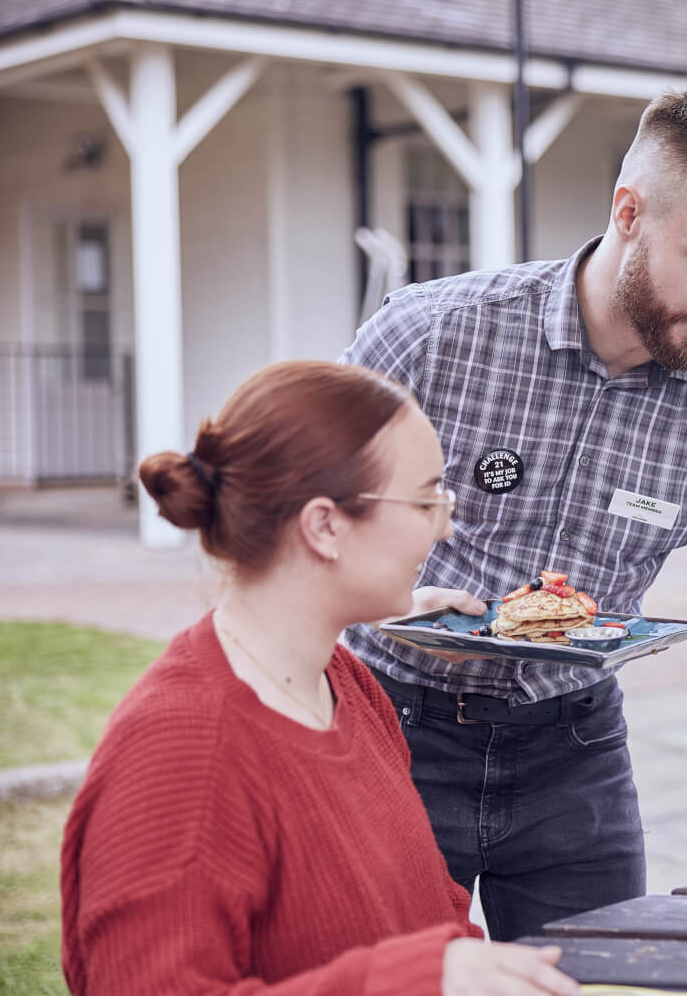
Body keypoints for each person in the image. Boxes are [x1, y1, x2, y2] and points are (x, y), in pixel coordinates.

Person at [340, 89, 687, 938]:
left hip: (574, 752)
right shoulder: (431, 334)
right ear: (628, 213)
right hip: (391, 725)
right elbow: (300, 524)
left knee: (598, 977)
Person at [60, 361, 578, 996]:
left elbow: (426, 916)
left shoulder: (348, 686)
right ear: (325, 526)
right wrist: (414, 980)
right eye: (424, 499)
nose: (446, 526)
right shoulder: (180, 749)